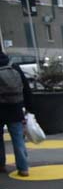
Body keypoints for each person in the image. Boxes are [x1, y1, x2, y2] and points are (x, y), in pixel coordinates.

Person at [0, 48, 32, 177]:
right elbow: (26, 88)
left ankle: (1, 165)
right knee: (18, 139)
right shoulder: (13, 66)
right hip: (15, 108)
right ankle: (23, 168)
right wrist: (29, 108)